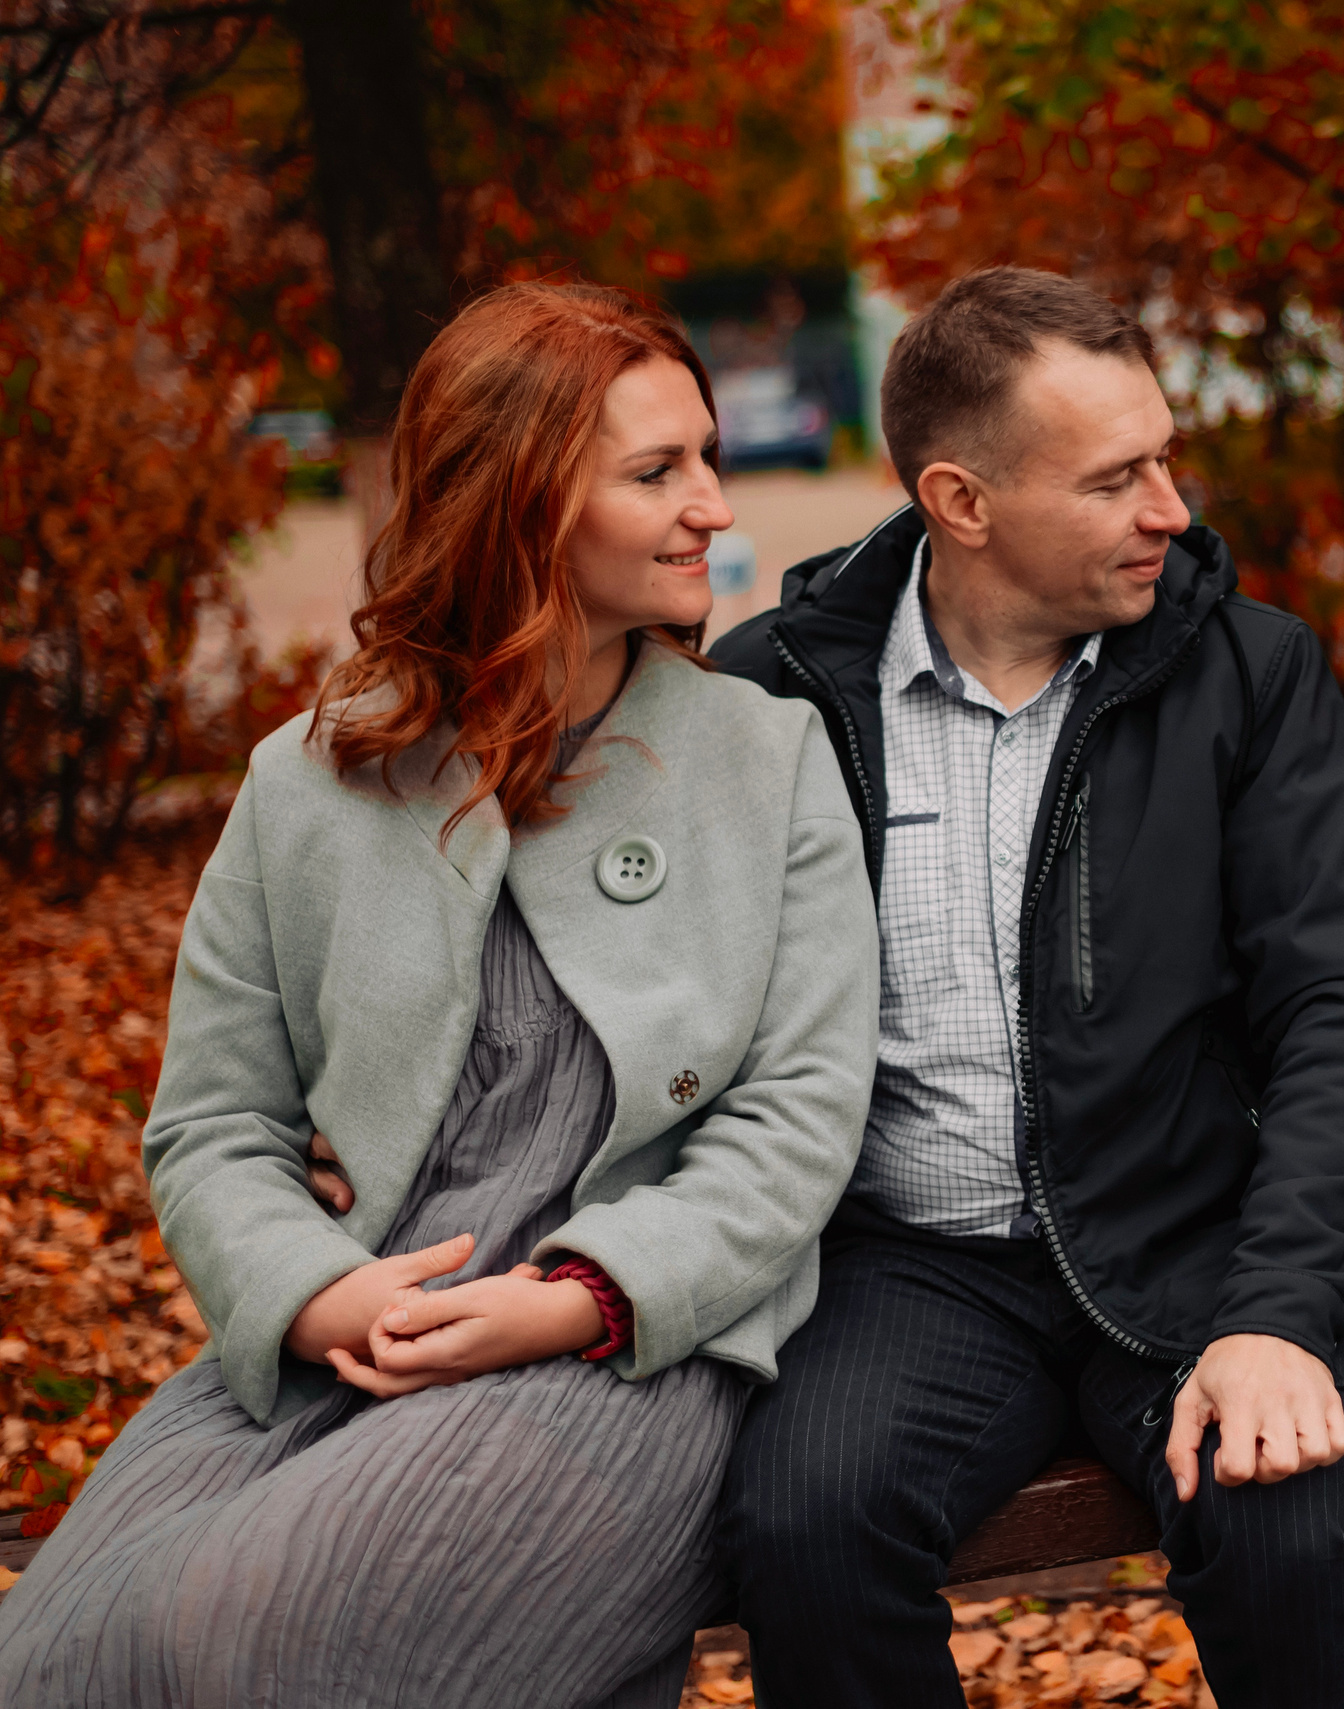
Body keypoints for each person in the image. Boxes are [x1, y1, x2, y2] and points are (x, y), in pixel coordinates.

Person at [0, 281, 880, 1709]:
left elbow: (800, 1120)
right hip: (353, 1336)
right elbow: (214, 1124)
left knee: (258, 1639)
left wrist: (574, 1298)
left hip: (628, 1354)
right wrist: (313, 1296)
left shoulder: (765, 761)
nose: (714, 506)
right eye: (659, 473)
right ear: (522, 506)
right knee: (64, 1650)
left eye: (705, 458)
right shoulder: (311, 778)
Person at [707, 266, 1344, 1709]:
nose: (1172, 508)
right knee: (802, 1532)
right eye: (1117, 478)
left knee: (1289, 1521)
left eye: (1166, 459)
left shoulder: (1248, 671)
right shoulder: (778, 696)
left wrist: (1281, 1308)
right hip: (909, 1264)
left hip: (1197, 1240)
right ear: (961, 501)